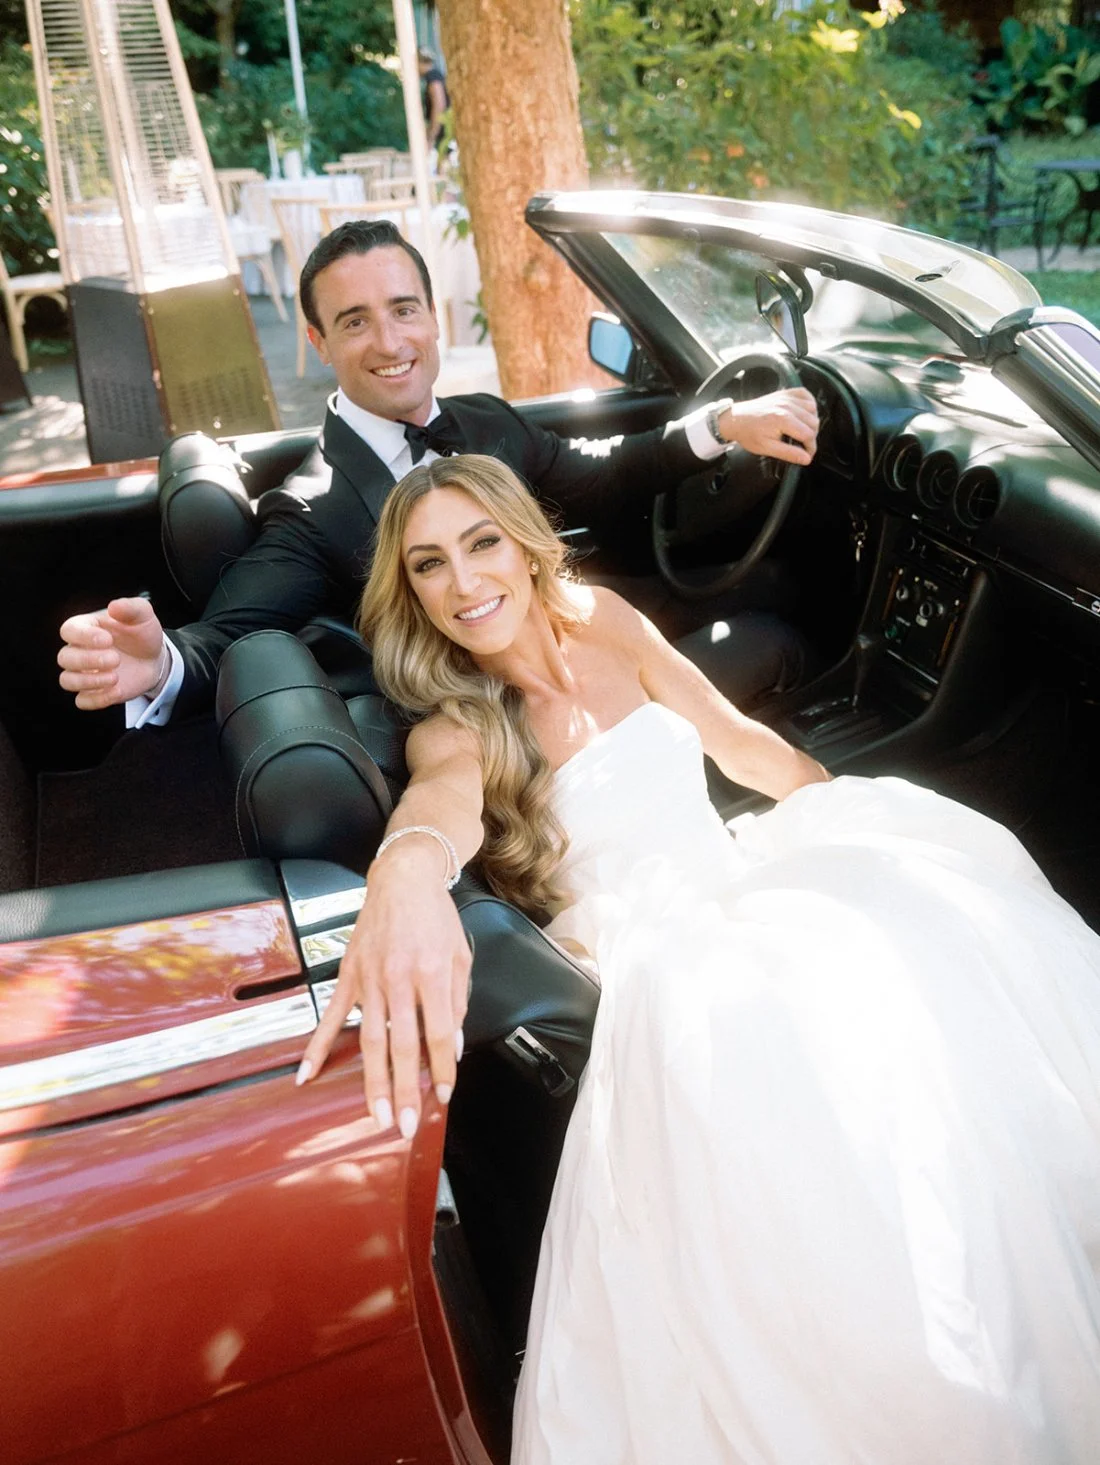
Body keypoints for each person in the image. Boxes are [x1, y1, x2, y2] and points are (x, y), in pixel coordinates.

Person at [300, 453, 1100, 1464]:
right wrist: (405, 874)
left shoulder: (597, 618)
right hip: (659, 952)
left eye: (480, 544)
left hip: (740, 870)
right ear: (406, 591)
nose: (463, 585)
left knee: (933, 907)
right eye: (427, 566)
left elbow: (730, 740)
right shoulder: (458, 726)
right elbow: (436, 809)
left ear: (521, 541)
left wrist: (828, 803)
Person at [57, 219, 818, 728]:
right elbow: (225, 635)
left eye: (403, 309)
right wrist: (157, 663)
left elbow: (604, 472)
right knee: (777, 640)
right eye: (355, 322)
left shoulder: (485, 419)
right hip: (508, 719)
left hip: (578, 626)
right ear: (320, 342)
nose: (389, 341)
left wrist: (722, 425)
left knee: (783, 582)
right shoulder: (315, 505)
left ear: (433, 318)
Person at [418, 48, 449, 150]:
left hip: (443, 135)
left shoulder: (433, 77)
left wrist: (432, 134)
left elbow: (439, 104)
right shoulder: (434, 76)